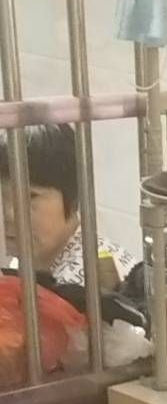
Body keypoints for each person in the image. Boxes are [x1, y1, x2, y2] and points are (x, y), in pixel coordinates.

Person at [0, 122, 133, 287]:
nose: (9, 215)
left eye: (30, 197)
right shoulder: (31, 257)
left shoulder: (84, 283)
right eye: (1, 196)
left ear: (75, 195)